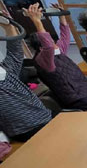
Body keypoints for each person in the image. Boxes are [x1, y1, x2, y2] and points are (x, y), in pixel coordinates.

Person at [25, 3, 87, 111]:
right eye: (49, 40)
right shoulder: (43, 60)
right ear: (41, 47)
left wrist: (61, 15)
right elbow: (48, 46)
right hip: (75, 96)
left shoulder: (58, 51)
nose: (53, 41)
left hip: (86, 88)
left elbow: (65, 36)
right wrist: (37, 21)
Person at [0, 12, 51, 141]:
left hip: (45, 118)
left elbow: (15, 51)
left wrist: (8, 26)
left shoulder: (5, 70)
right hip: (28, 130)